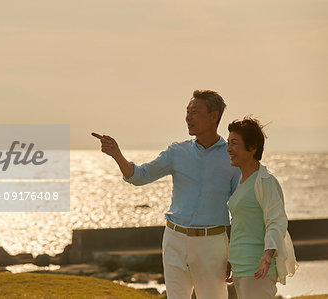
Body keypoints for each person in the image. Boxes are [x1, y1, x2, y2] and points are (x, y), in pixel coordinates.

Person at [93, 90, 240, 299]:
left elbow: (239, 209)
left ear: (213, 116)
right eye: (187, 111)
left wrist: (233, 252)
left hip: (212, 244)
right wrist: (117, 154)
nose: (188, 117)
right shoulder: (177, 152)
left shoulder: (232, 157)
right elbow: (140, 176)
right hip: (175, 239)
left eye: (194, 111)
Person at [225, 117, 298, 299]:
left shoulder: (265, 182)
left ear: (252, 147)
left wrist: (267, 254)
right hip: (241, 267)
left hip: (258, 268)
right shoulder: (241, 183)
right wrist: (230, 259)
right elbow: (241, 225)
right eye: (228, 143)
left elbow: (276, 220)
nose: (229, 149)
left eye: (234, 143)